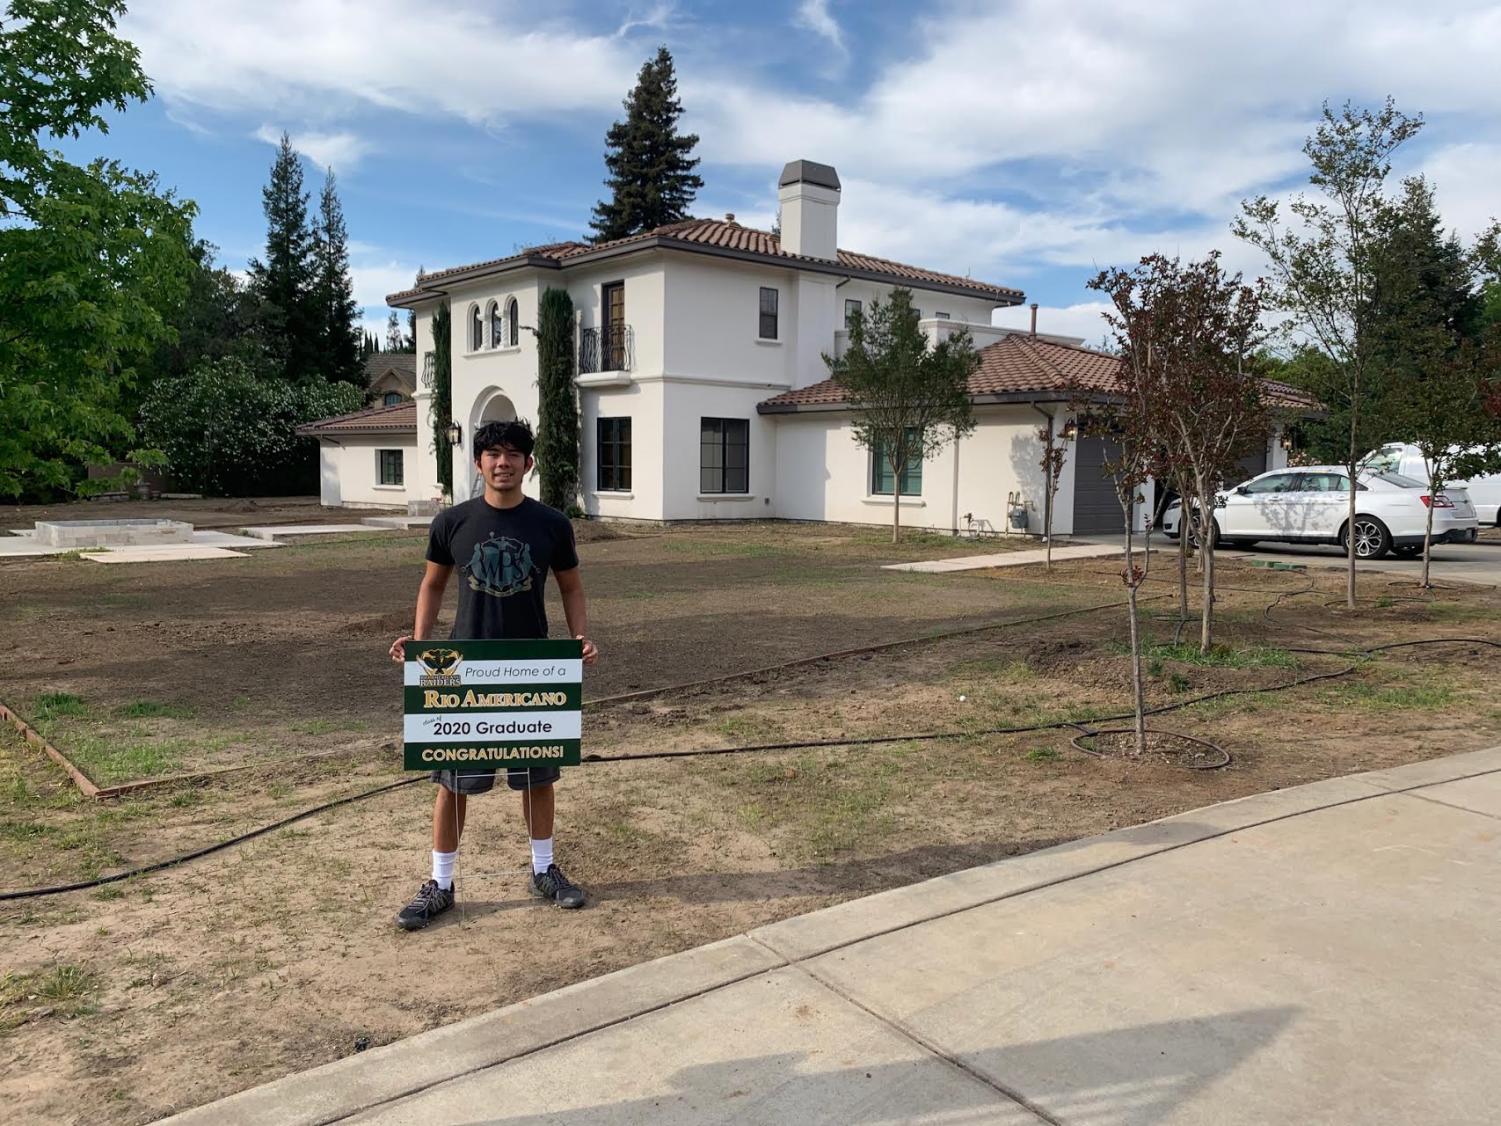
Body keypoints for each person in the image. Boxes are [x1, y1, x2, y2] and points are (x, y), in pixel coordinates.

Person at [388, 418, 599, 930]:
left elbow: (571, 586)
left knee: (537, 776)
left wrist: (579, 638)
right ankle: (440, 883)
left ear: (528, 463)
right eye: (493, 454)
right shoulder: (453, 523)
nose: (502, 462)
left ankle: (544, 870)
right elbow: (432, 586)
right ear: (479, 463)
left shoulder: (551, 524)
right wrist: (419, 643)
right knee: (454, 782)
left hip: (533, 668)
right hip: (466, 669)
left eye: (513, 454)